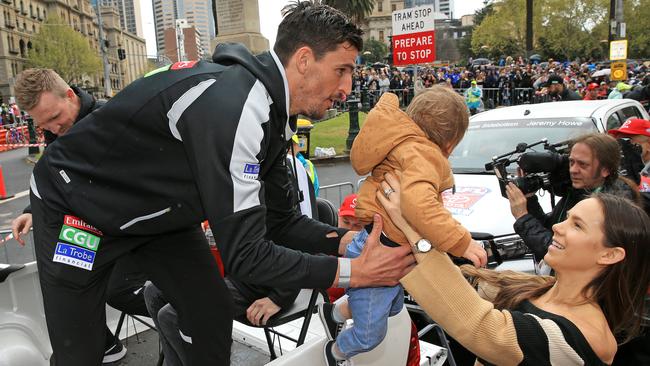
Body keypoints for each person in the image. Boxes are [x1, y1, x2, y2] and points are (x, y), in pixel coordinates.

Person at [27, 2, 414, 365]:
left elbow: (281, 222)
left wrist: (347, 243)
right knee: (82, 351)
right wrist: (355, 272)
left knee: (209, 314)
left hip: (160, 215)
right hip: (74, 209)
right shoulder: (238, 106)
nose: (348, 86)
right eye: (342, 69)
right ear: (304, 60)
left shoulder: (275, 116)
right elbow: (247, 255)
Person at [383, 173, 650, 365]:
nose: (557, 227)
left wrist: (412, 229)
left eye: (577, 225)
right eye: (567, 218)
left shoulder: (592, 338)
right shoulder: (537, 288)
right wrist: (424, 216)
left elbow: (485, 329)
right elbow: (463, 284)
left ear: (610, 254)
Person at [318, 88, 487, 365]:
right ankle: (335, 353)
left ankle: (334, 313)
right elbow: (420, 206)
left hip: (379, 243)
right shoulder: (425, 156)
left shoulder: (404, 145)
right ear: (451, 142)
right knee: (371, 334)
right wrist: (462, 241)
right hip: (380, 251)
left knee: (391, 307)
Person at [11, 68, 148, 364]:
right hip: (95, 227)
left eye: (54, 117)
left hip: (135, 228)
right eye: (42, 122)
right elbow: (57, 183)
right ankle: (103, 343)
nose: (52, 127)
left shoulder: (110, 119)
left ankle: (179, 314)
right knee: (70, 277)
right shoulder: (56, 129)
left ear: (71, 96)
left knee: (115, 289)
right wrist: (33, 211)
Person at [507, 133, 639, 265]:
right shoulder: (580, 190)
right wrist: (530, 200)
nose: (573, 170)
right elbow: (551, 229)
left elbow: (563, 252)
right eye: (571, 162)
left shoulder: (610, 207)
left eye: (583, 164)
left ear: (605, 170)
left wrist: (523, 217)